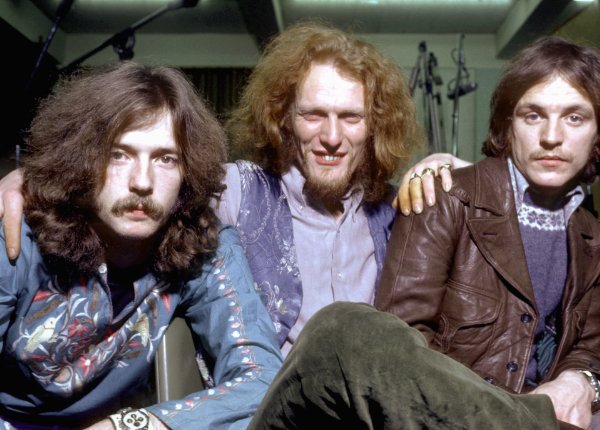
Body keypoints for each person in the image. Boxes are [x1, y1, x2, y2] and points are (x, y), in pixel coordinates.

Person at [248, 35, 600, 430]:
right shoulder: (441, 196)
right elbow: (396, 354)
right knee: (342, 326)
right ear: (508, 124)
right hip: (427, 417)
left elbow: (590, 346)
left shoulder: (591, 236)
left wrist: (582, 381)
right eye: (533, 115)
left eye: (575, 118)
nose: (552, 136)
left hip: (528, 413)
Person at [0, 61, 282, 429]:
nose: (142, 182)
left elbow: (262, 380)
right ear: (81, 157)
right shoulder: (19, 232)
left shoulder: (206, 247)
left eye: (166, 159)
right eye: (119, 154)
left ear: (188, 171)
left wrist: (134, 425)